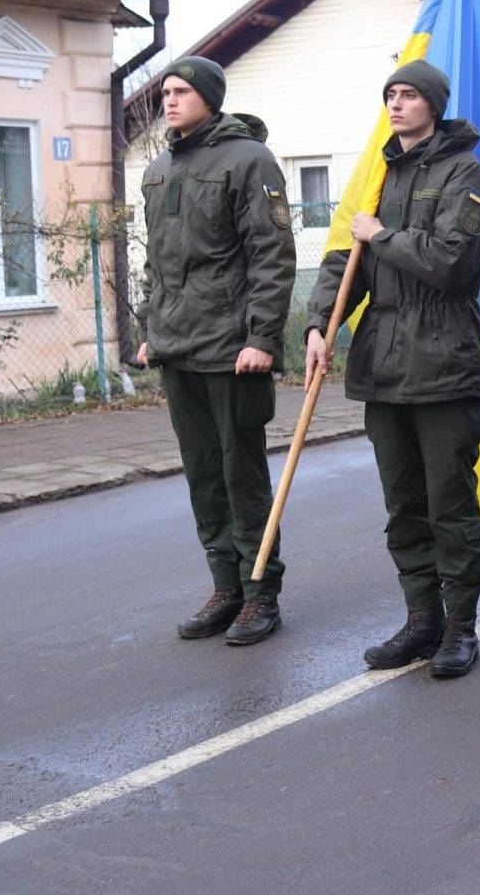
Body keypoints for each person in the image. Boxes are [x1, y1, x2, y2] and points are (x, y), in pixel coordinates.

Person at [303, 60, 480, 676]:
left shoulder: (464, 173)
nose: (396, 104)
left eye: (408, 95)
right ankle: (421, 619)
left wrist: (382, 234)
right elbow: (344, 260)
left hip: (444, 361)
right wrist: (317, 324)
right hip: (383, 365)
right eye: (389, 94)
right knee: (404, 505)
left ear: (432, 104)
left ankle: (461, 626)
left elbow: (450, 262)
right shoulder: (376, 175)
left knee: (450, 504)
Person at [136, 56, 296, 646]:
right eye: (165, 92)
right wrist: (152, 330)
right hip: (178, 347)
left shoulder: (248, 160)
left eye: (182, 91)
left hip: (232, 350)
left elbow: (272, 255)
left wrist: (261, 338)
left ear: (209, 96)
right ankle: (224, 587)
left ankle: (260, 594)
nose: (170, 101)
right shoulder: (156, 170)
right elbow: (157, 265)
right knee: (204, 475)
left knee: (241, 472)